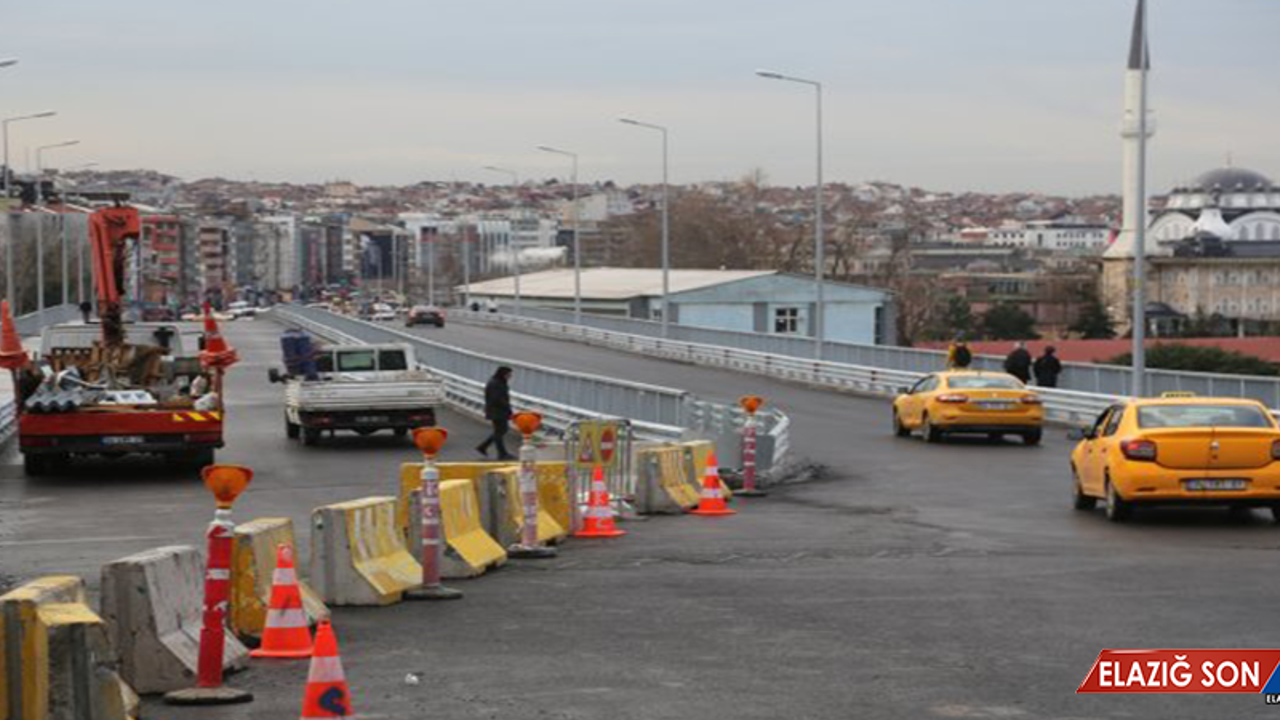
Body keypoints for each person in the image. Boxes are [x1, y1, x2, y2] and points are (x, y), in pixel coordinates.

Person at [476, 366, 516, 460]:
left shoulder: (497, 382)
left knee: (500, 431)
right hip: (497, 411)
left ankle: (484, 447)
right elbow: (497, 399)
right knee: (500, 431)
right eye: (509, 374)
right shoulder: (496, 383)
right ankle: (501, 453)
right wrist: (507, 408)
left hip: (496, 411)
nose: (510, 376)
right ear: (503, 374)